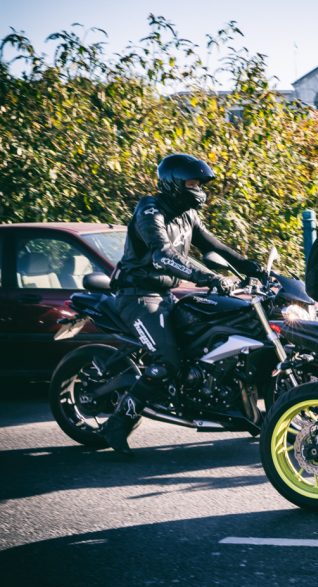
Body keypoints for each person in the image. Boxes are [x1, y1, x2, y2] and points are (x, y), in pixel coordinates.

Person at [100, 153, 265, 455]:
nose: (199, 188)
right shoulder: (149, 210)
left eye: (201, 182)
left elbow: (214, 246)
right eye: (192, 182)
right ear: (173, 183)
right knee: (166, 365)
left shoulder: (188, 214)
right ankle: (116, 425)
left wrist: (253, 267)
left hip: (167, 295)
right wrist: (211, 277)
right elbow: (161, 254)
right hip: (138, 296)